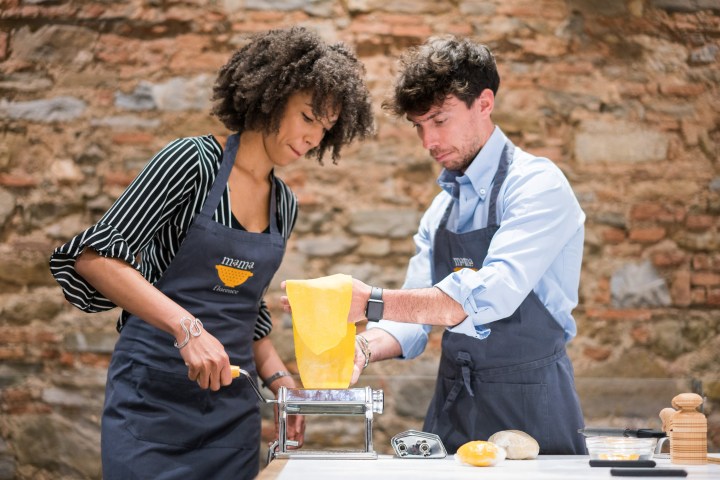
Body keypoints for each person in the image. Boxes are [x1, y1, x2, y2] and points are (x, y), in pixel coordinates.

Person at [49, 26, 374, 479]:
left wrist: (280, 382)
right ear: (271, 95)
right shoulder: (192, 163)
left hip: (230, 419)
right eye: (307, 117)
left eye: (325, 127)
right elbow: (96, 258)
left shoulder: (284, 204)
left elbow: (246, 307)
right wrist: (187, 328)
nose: (314, 137)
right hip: (151, 405)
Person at [283, 34, 587, 455]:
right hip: (455, 407)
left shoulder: (537, 185)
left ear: (484, 103)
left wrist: (371, 301)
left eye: (440, 121)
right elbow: (413, 317)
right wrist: (360, 348)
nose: (429, 143)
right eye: (419, 127)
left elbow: (488, 296)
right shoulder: (442, 209)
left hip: (533, 408)